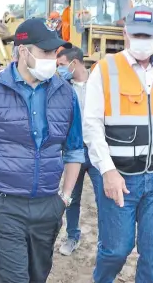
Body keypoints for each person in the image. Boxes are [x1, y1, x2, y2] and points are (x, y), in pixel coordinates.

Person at [0, 17, 84, 283]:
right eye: (46, 52)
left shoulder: (66, 94)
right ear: (24, 51)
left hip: (48, 207)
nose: (53, 57)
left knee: (37, 277)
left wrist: (64, 198)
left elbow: (74, 151)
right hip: (4, 205)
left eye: (55, 52)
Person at [83, 6, 153, 283]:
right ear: (126, 32)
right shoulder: (104, 70)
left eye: (148, 34)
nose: (142, 38)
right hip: (121, 178)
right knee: (116, 250)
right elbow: (92, 126)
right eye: (137, 33)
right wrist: (107, 171)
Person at [55, 46, 102, 256]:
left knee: (105, 199)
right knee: (71, 196)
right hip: (74, 151)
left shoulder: (100, 83)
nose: (59, 69)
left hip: (97, 150)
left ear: (75, 63)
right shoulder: (62, 87)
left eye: (62, 65)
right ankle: (72, 236)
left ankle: (106, 242)